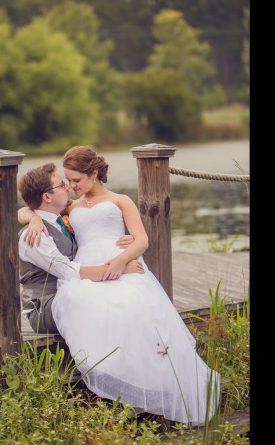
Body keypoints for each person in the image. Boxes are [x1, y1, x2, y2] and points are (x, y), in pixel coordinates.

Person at [19, 146, 220, 427]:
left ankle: (157, 387)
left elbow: (142, 240)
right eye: (67, 181)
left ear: (94, 173)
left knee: (136, 309)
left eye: (76, 180)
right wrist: (35, 217)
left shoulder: (120, 200)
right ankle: (120, 381)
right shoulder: (70, 206)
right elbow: (29, 207)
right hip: (87, 268)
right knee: (105, 310)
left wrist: (122, 260)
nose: (72, 186)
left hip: (120, 262)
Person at [17, 162, 142, 340]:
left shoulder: (58, 222)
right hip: (45, 307)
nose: (68, 187)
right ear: (47, 196)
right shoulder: (35, 236)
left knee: (125, 297)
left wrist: (127, 240)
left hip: (70, 291)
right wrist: (119, 268)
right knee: (101, 303)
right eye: (61, 184)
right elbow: (68, 271)